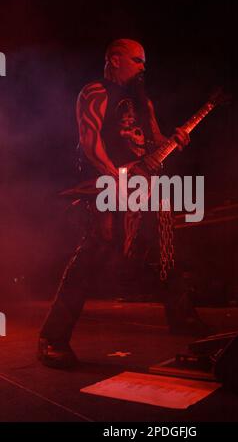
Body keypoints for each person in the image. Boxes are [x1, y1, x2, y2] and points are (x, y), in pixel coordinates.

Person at [38, 39, 210, 369]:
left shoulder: (144, 103)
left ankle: (182, 317)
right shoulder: (95, 92)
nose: (143, 66)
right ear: (115, 60)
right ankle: (52, 338)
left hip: (145, 188)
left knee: (166, 250)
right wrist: (115, 180)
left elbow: (155, 144)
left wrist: (176, 140)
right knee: (93, 253)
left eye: (145, 61)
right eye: (137, 60)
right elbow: (90, 144)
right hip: (108, 186)